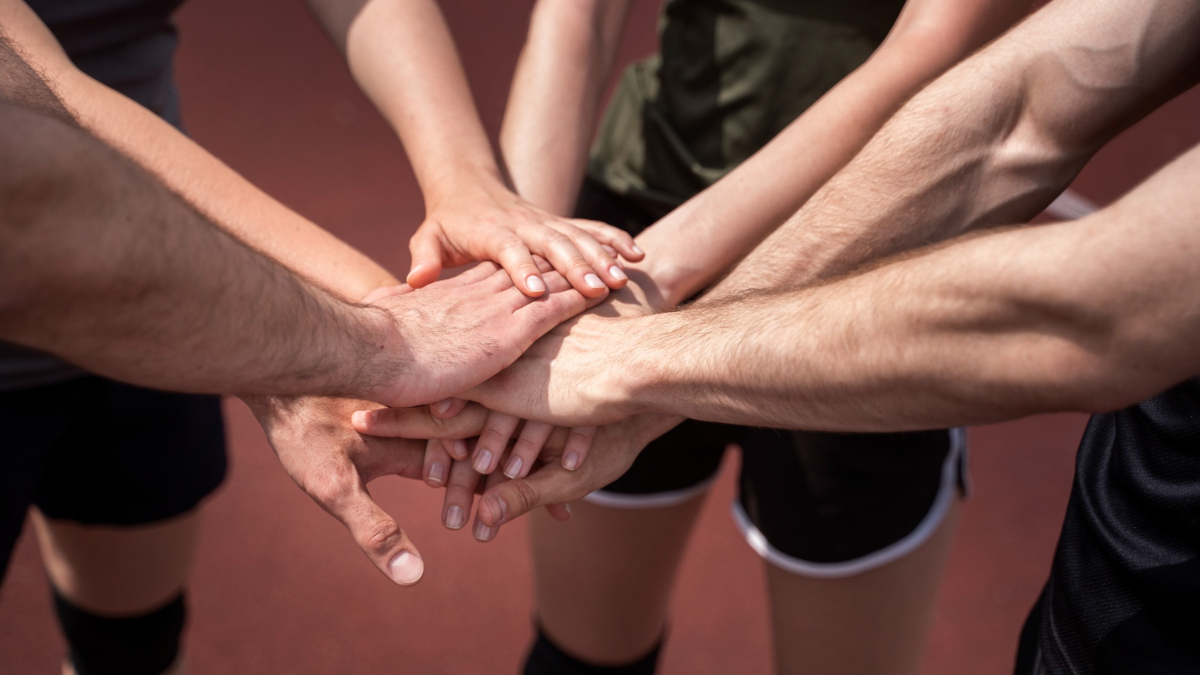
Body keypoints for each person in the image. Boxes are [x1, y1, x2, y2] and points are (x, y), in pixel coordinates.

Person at [357, 0, 1200, 672]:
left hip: (876, 271)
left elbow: (1100, 299)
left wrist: (633, 329)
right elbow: (1016, 113)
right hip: (628, 247)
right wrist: (522, 282)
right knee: (580, 652)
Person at [0, 0, 619, 669]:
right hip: (77, 284)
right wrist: (377, 338)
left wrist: (464, 178)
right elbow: (37, 99)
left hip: (168, 293)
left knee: (131, 639)